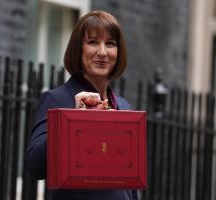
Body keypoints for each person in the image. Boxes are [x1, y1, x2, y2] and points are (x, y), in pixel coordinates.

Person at [25, 10, 137, 200]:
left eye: (110, 43)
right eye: (93, 42)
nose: (102, 52)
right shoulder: (56, 99)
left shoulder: (124, 107)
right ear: (78, 50)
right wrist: (73, 119)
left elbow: (130, 186)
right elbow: (35, 166)